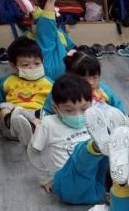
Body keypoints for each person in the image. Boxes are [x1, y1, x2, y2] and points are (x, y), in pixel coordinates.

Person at [28, 75, 116, 204]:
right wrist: (44, 179)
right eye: (69, 110)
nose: (78, 115)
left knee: (112, 154)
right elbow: (33, 151)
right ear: (55, 108)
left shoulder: (94, 119)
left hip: (97, 180)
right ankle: (94, 146)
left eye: (84, 109)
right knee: (85, 151)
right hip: (69, 183)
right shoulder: (48, 124)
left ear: (92, 104)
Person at [0, 37, 52, 144]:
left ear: (43, 61)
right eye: (26, 65)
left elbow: (57, 102)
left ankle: (32, 130)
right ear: (14, 66)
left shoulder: (49, 83)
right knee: (4, 107)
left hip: (38, 115)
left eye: (37, 63)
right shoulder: (7, 81)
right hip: (14, 115)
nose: (32, 67)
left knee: (47, 115)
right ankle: (19, 129)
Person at [7, 0, 75, 80]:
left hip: (58, 65)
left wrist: (75, 53)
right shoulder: (28, 38)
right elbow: (15, 52)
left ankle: (36, 9)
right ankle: (47, 3)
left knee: (47, 34)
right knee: (45, 36)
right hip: (43, 68)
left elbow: (71, 46)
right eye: (36, 23)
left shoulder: (59, 33)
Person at [42, 49, 129, 117]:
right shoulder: (60, 91)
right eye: (84, 79)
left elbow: (119, 108)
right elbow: (47, 112)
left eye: (95, 77)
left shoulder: (103, 90)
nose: (91, 82)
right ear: (70, 76)